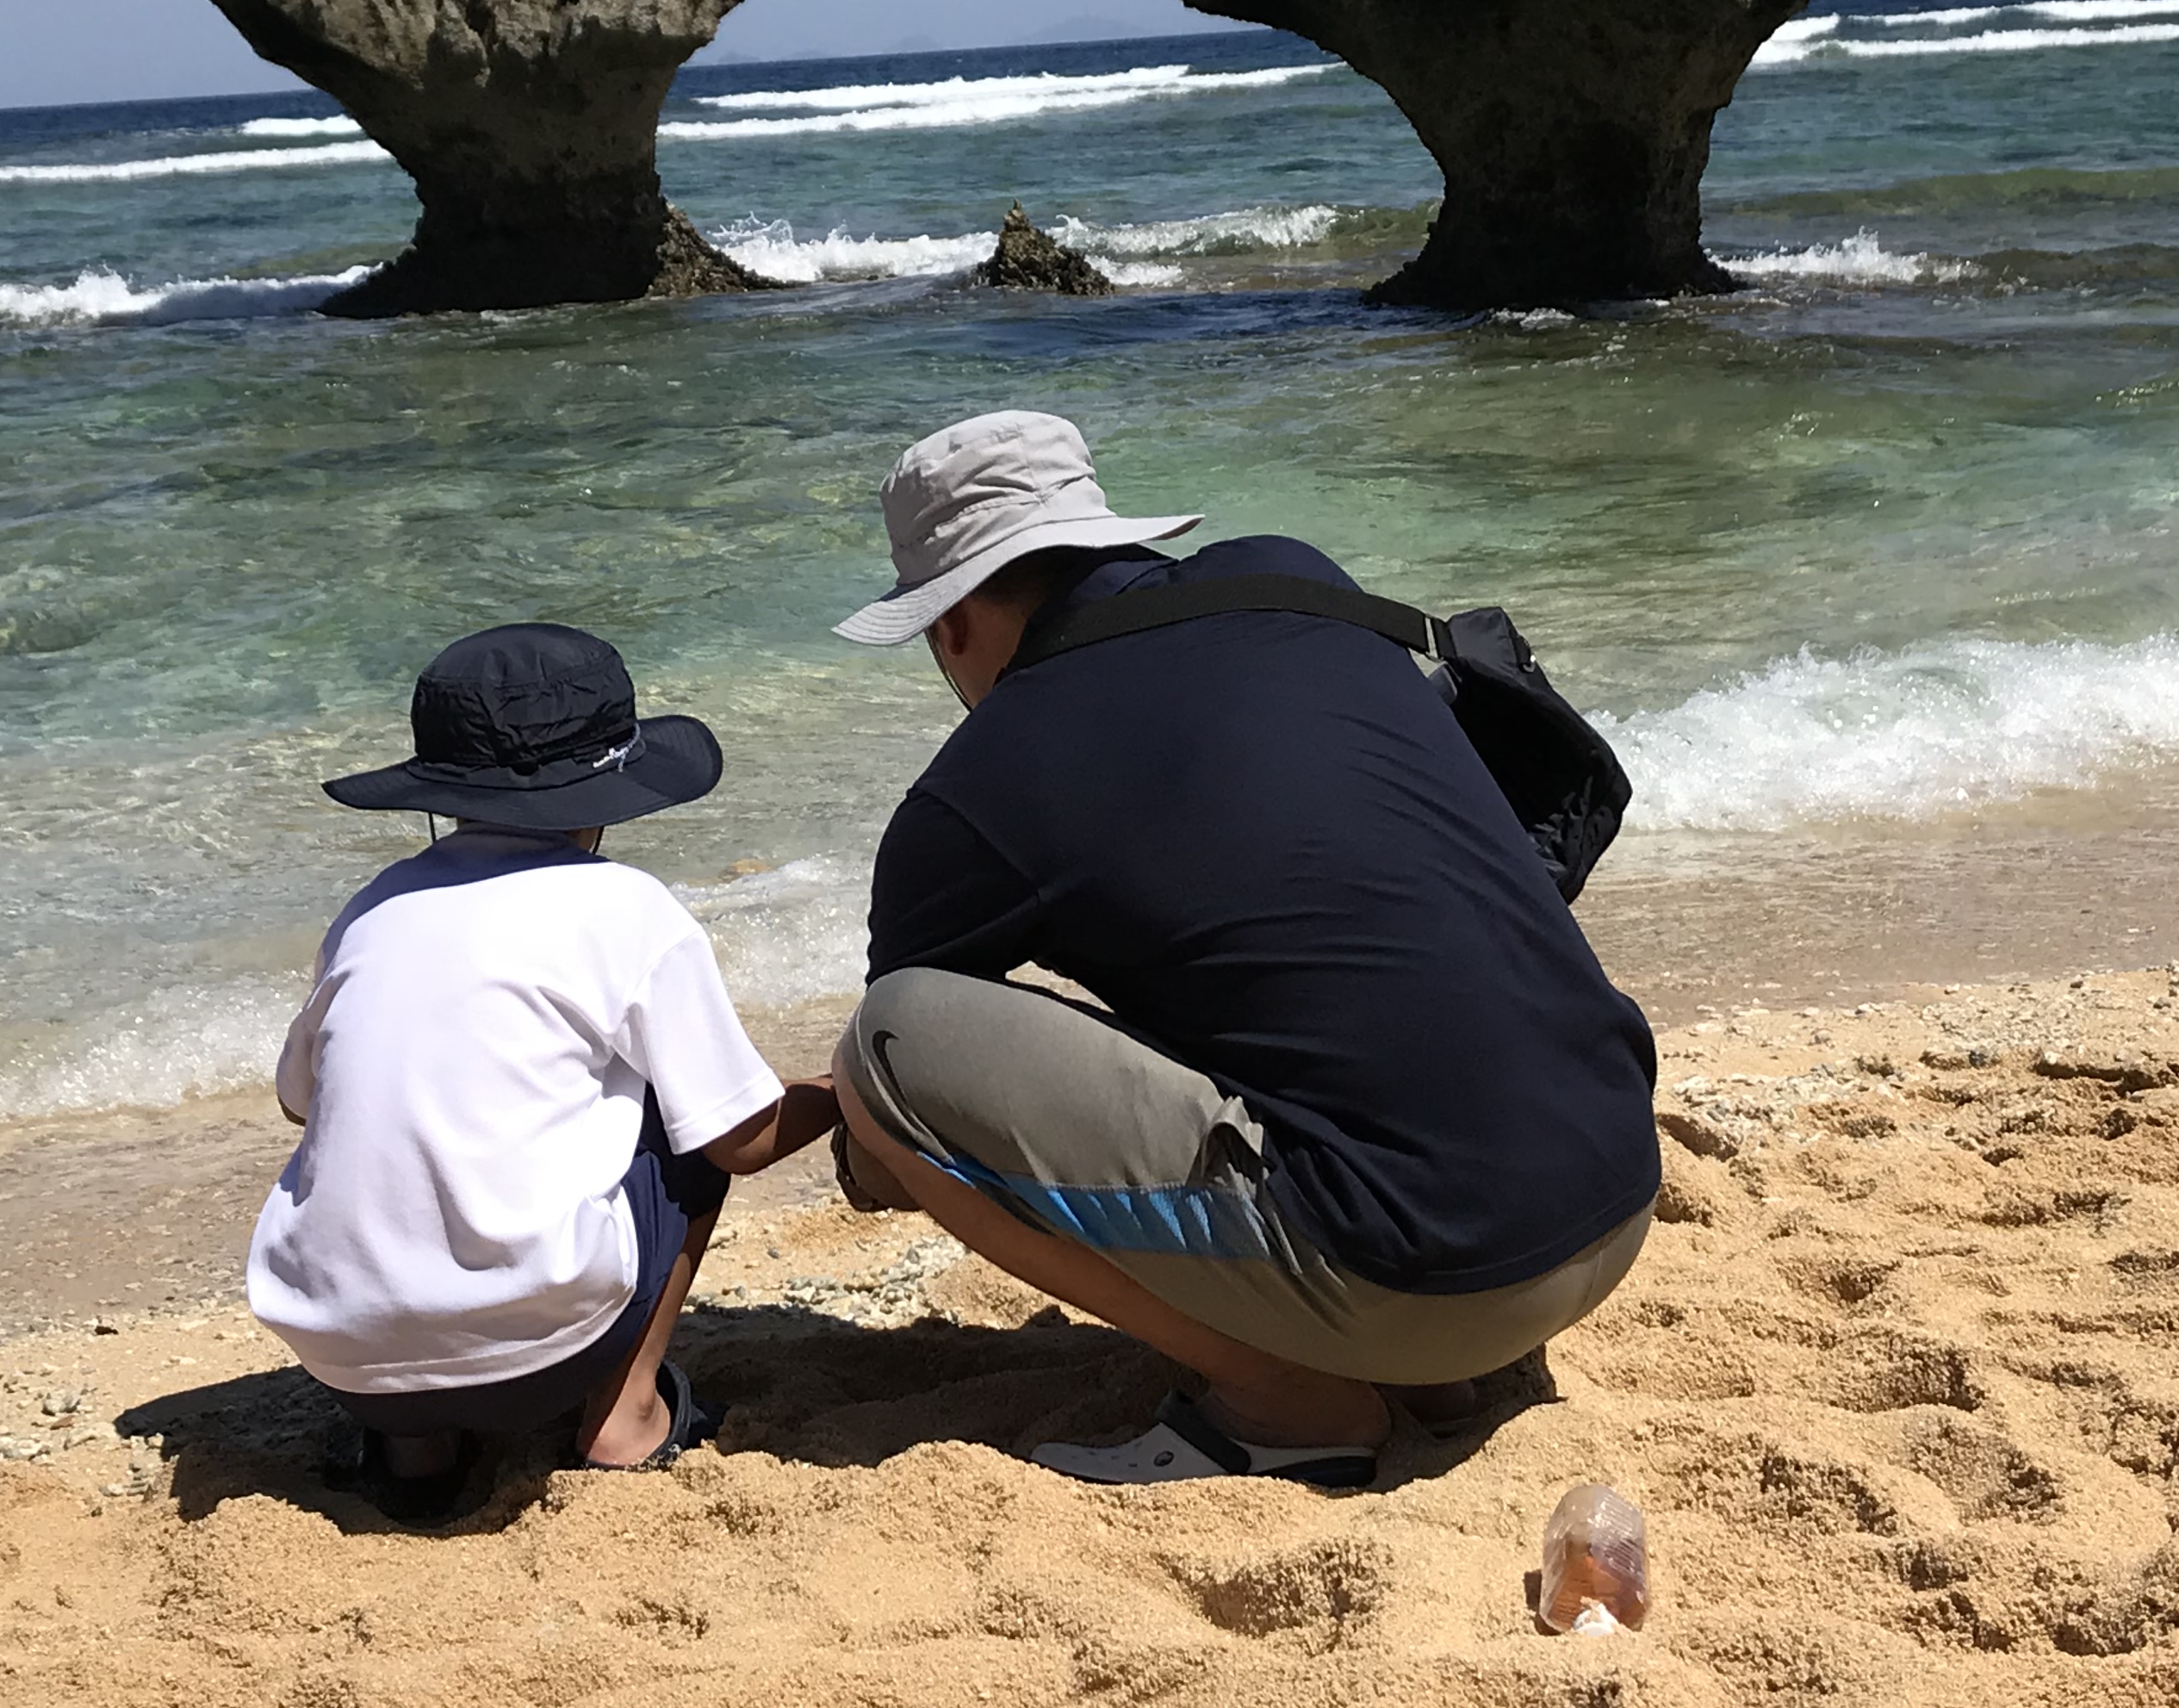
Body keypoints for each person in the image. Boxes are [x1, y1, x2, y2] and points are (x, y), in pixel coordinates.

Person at [827, 411, 1662, 1487]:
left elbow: (906, 1124)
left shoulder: (978, 785)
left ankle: (1289, 1399)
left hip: (1429, 1282)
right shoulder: (1288, 577)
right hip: (1613, 1194)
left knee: (881, 1052)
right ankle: (1420, 1370)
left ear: (948, 625)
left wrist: (858, 1145)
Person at [247, 623, 835, 1520]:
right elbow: (744, 1139)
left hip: (346, 1356)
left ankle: (418, 1452)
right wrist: (845, 1096)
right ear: (609, 787)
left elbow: (301, 1102)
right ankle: (625, 1417)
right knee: (683, 1118)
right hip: (544, 1354)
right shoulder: (627, 907)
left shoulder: (373, 909)